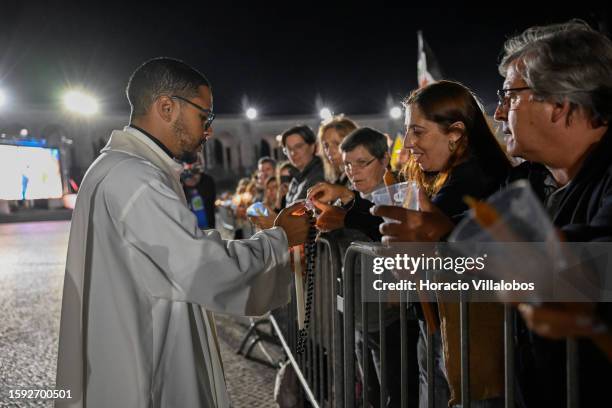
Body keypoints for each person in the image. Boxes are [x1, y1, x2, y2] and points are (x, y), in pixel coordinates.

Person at [55, 57, 310, 408]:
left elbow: (171, 253)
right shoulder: (136, 178)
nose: (208, 131)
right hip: (146, 366)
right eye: (204, 116)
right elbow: (200, 266)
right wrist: (280, 238)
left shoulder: (118, 167)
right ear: (166, 107)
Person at [492, 20, 612, 407]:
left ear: (559, 104)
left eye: (510, 96)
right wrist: (428, 250)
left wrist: (552, 259)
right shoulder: (525, 183)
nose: (498, 112)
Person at [374, 80, 512, 408]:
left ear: (455, 133)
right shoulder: (454, 177)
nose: (407, 143)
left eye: (418, 131)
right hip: (450, 332)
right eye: (407, 131)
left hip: (468, 341)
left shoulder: (470, 183)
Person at [281, 125, 325, 205]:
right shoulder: (296, 177)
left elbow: (302, 214)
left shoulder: (319, 175)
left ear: (312, 147)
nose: (293, 153)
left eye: (298, 147)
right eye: (289, 149)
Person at [317, 115, 358, 186]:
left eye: (337, 143)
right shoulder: (340, 178)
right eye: (326, 146)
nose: (329, 151)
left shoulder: (364, 177)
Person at [181, 162, 216, 229]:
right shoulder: (183, 188)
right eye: (188, 179)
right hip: (192, 225)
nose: (191, 180)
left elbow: (210, 200)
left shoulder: (206, 181)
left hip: (208, 222)